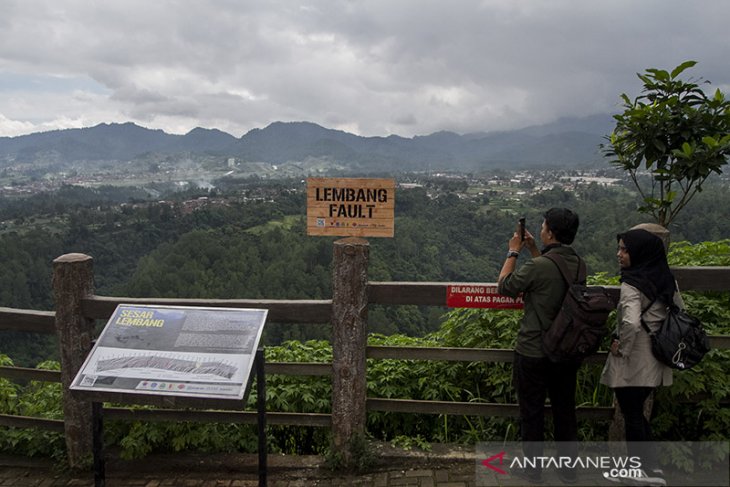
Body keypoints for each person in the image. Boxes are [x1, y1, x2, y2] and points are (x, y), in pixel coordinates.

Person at [497, 207, 581, 484]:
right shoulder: (580, 264)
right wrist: (535, 249)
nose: (541, 229)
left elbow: (505, 286)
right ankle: (568, 470)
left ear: (550, 232)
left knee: (532, 411)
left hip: (534, 349)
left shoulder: (537, 266)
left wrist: (513, 251)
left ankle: (532, 470)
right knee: (564, 410)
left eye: (544, 226)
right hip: (566, 350)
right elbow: (551, 276)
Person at [601, 228, 678, 486]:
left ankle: (642, 471)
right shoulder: (666, 279)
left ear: (639, 253)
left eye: (625, 249)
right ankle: (651, 469)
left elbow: (631, 323)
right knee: (636, 413)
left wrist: (621, 346)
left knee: (632, 415)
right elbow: (680, 311)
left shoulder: (631, 283)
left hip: (634, 360)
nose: (619, 254)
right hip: (657, 358)